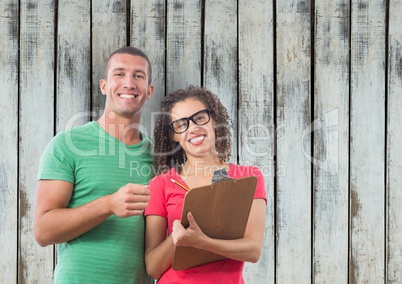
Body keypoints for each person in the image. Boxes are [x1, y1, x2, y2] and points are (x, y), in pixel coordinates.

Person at [34, 46, 155, 283]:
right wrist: (108, 204)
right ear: (103, 85)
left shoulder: (159, 157)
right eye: (119, 74)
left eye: (138, 76)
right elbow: (42, 231)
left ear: (149, 91)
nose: (129, 83)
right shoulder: (68, 144)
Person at [144, 85, 267, 283]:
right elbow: (153, 268)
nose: (193, 128)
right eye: (181, 124)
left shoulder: (248, 177)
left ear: (214, 119)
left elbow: (253, 251)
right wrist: (178, 236)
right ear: (174, 135)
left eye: (200, 117)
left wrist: (203, 242)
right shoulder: (160, 185)